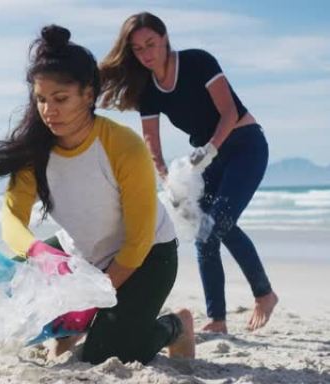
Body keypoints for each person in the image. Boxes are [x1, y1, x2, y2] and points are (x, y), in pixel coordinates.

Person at [0, 25, 195, 364]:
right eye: (40, 99)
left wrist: (90, 297)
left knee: (106, 355)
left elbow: (139, 240)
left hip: (147, 258)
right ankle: (67, 331)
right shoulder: (35, 150)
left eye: (60, 99)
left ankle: (176, 326)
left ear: (88, 95)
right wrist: (38, 252)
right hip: (78, 256)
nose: (48, 111)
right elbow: (12, 218)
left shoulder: (122, 145)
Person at [98, 12, 278, 333]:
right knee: (203, 234)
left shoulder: (198, 62)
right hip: (206, 160)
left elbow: (229, 112)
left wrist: (210, 149)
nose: (146, 54)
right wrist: (166, 178)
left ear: (165, 38)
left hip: (243, 145)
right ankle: (217, 320)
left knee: (218, 223)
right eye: (138, 49)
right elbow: (151, 140)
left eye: (151, 44)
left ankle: (264, 294)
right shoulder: (147, 90)